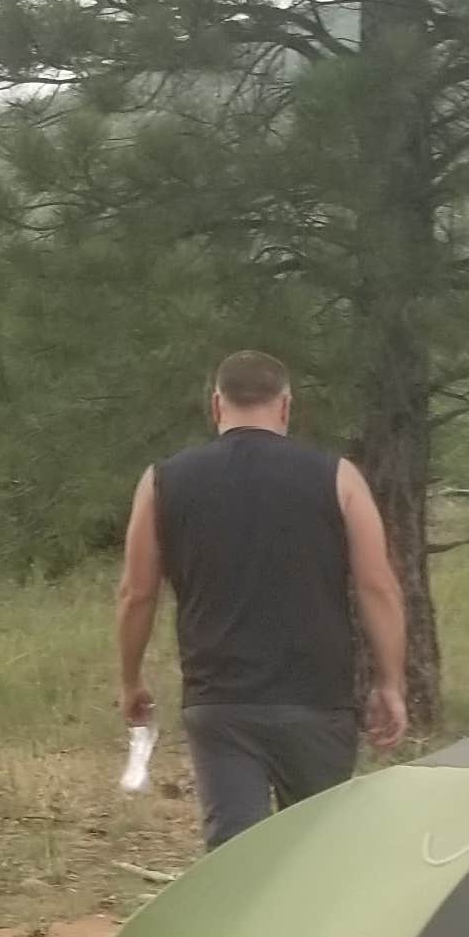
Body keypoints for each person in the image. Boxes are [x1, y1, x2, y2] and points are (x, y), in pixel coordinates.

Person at [113, 352, 416, 842]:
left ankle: (238, 919)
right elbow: (377, 586)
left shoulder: (163, 481)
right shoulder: (338, 478)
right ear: (285, 406)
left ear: (217, 405)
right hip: (316, 697)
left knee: (234, 853)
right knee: (319, 848)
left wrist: (131, 680)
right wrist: (390, 683)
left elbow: (137, 592)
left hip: (219, 701)